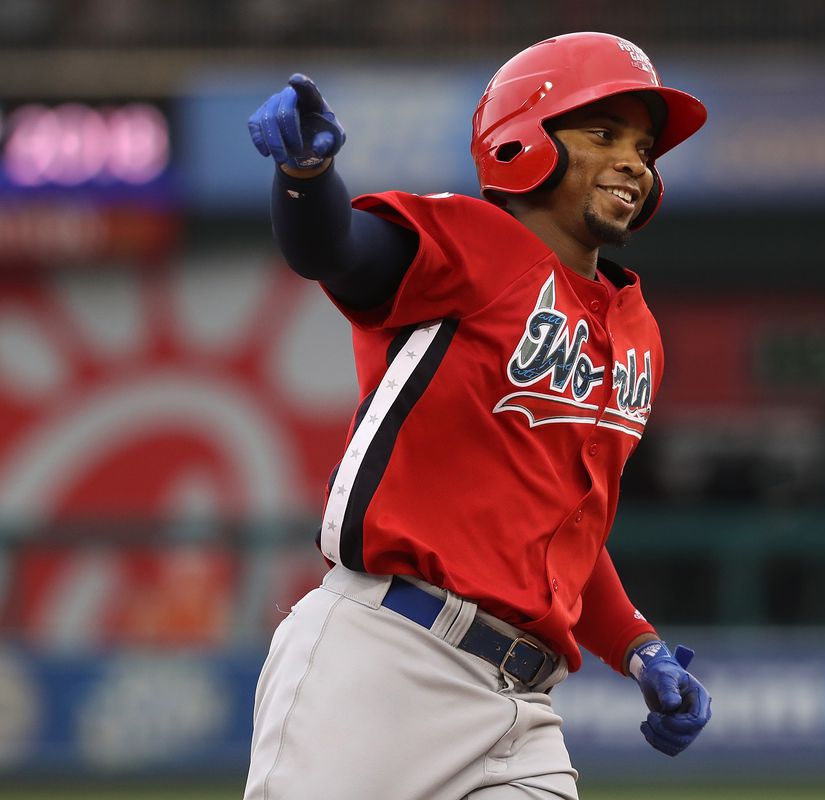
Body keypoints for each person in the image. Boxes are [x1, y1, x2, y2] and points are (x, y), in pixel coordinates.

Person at [243, 32, 712, 800]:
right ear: (523, 140)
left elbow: (568, 525)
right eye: (603, 134)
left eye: (643, 148)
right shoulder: (468, 242)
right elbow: (337, 249)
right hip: (385, 660)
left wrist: (638, 645)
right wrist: (305, 175)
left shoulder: (638, 333)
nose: (634, 162)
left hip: (522, 704)